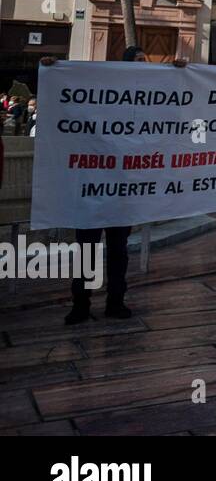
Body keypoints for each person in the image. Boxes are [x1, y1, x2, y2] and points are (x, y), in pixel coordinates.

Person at [62, 46, 160, 325]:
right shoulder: (103, 89)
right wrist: (51, 66)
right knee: (87, 250)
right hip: (93, 187)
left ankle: (115, 301)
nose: (144, 64)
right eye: (138, 60)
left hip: (123, 190)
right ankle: (80, 304)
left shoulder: (150, 98)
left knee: (118, 250)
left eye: (146, 59)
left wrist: (180, 70)